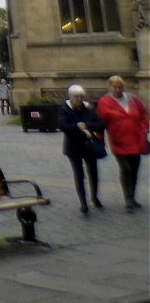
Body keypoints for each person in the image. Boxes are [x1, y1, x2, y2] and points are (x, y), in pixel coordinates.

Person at [95, 75, 150, 211]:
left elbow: (143, 115)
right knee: (125, 168)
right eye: (115, 87)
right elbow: (101, 122)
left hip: (136, 139)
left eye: (120, 87)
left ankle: (132, 196)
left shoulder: (133, 99)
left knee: (134, 169)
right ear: (110, 87)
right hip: (118, 141)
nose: (118, 89)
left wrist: (144, 128)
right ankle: (128, 198)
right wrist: (99, 140)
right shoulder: (104, 102)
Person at [57, 84, 106, 214]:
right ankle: (83, 202)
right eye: (76, 97)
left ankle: (94, 197)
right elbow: (63, 126)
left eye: (81, 96)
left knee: (93, 173)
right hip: (73, 147)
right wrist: (78, 127)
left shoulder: (89, 108)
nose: (79, 99)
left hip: (90, 145)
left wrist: (87, 125)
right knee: (79, 175)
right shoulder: (65, 110)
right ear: (71, 97)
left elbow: (100, 125)